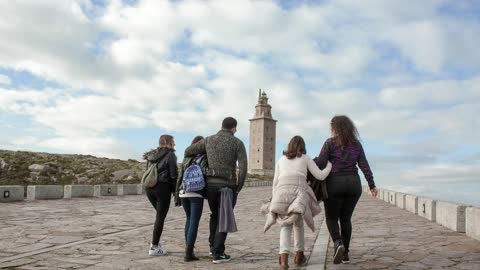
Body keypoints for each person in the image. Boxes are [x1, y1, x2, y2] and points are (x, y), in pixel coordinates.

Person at [184, 117, 247, 264]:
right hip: (227, 186)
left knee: (215, 215)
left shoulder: (209, 140)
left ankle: (213, 247)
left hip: (210, 186)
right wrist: (238, 187)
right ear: (234, 128)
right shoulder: (237, 143)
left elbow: (188, 151)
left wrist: (205, 170)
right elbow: (243, 168)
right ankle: (218, 254)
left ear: (222, 126)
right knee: (223, 217)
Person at [263, 136, 332, 269]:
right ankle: (299, 256)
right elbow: (320, 176)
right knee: (298, 224)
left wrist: (274, 200)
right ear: (303, 147)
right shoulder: (305, 158)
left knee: (285, 225)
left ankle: (283, 260)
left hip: (281, 193)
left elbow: (275, 182)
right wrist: (329, 166)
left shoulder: (281, 159)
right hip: (299, 194)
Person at [317, 115, 377, 264]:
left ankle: (338, 243)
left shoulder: (329, 143)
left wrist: (305, 161)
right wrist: (372, 185)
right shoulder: (356, 144)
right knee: (345, 219)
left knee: (331, 218)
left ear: (334, 128)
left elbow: (321, 162)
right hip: (353, 185)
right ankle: (345, 254)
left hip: (335, 184)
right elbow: (364, 166)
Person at [143, 134, 177, 256]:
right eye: (173, 142)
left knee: (159, 215)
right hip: (162, 188)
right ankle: (154, 247)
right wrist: (175, 192)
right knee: (160, 217)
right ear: (167, 142)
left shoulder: (152, 155)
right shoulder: (170, 155)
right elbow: (173, 175)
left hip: (149, 188)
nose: (174, 144)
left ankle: (155, 244)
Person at [175, 136, 208, 262]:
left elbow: (180, 176)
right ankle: (189, 253)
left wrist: (177, 193)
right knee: (194, 221)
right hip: (196, 193)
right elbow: (206, 173)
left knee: (188, 219)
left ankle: (189, 248)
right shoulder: (204, 158)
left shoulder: (186, 158)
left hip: (184, 192)